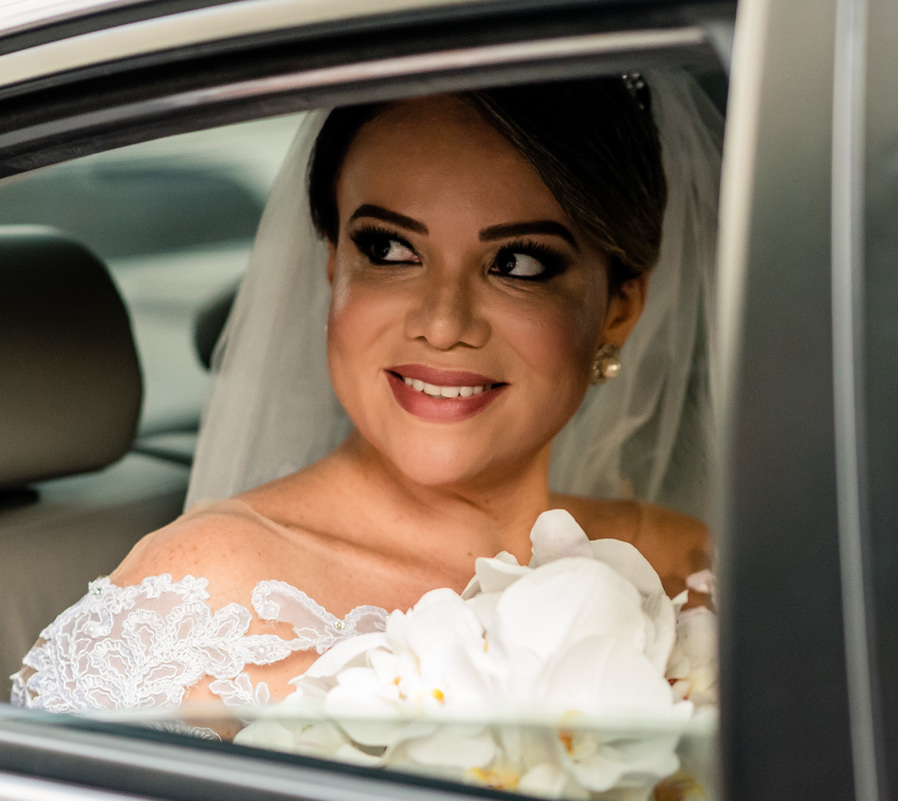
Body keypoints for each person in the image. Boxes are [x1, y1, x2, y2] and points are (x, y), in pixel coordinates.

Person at [11, 71, 723, 719]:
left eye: (518, 262)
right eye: (388, 250)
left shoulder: (691, 568)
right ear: (333, 269)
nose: (444, 324)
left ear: (620, 306)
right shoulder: (196, 598)